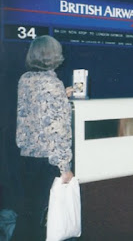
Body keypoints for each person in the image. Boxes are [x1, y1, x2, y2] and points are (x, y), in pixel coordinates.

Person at [13, 35, 74, 241]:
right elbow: (58, 130)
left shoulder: (25, 79)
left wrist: (61, 97)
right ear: (54, 56)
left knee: (28, 215)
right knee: (45, 220)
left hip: (27, 156)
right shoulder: (53, 83)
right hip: (48, 161)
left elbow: (32, 112)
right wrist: (64, 167)